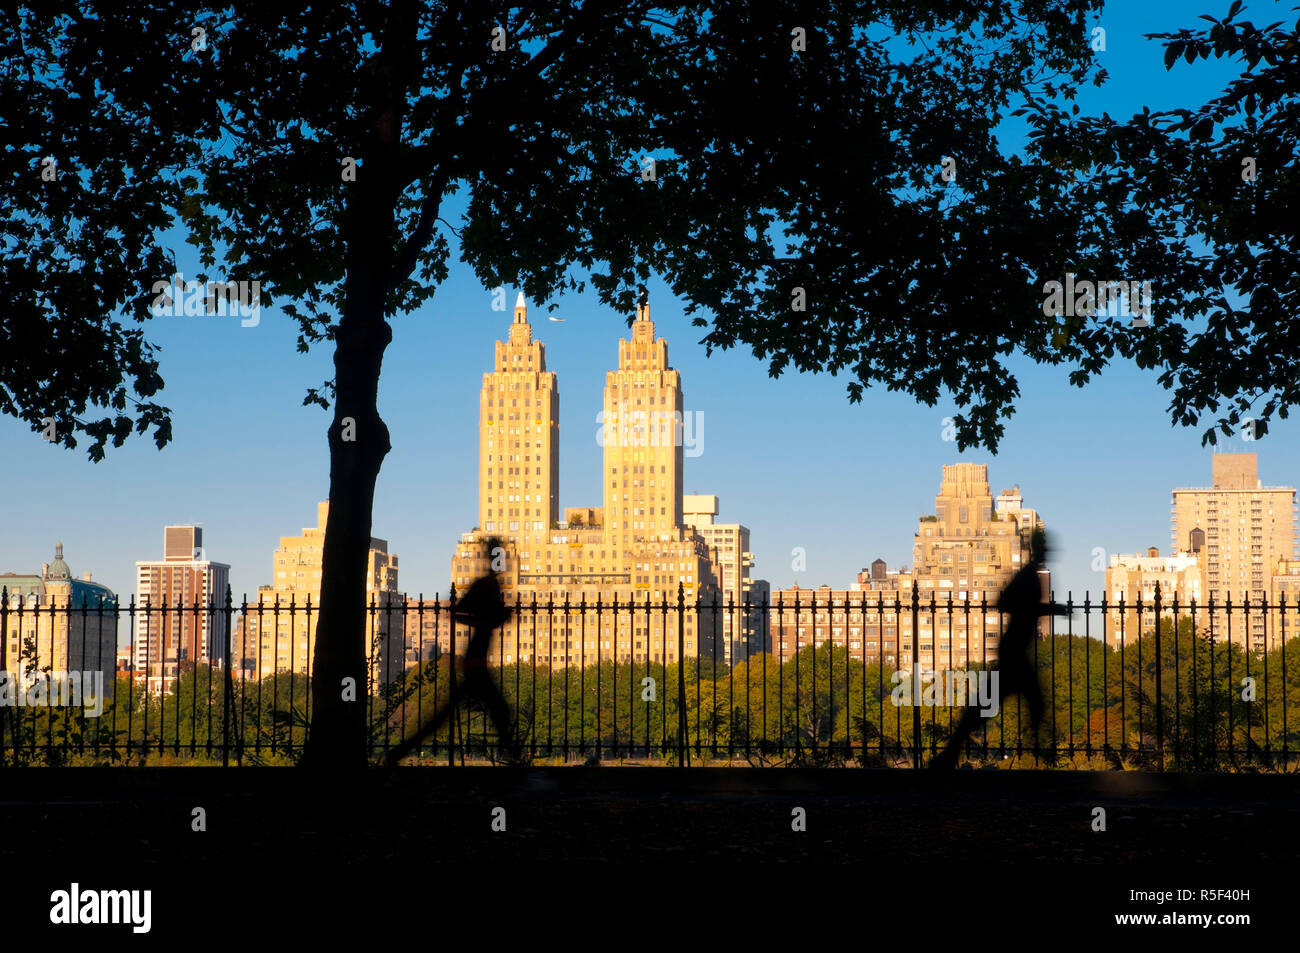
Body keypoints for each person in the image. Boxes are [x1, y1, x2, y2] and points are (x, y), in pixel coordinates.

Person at [928, 528, 1067, 770]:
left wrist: (1044, 609)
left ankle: (951, 755)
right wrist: (1050, 610)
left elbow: (1012, 603)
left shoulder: (1030, 574)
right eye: (1044, 545)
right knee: (997, 705)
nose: (1048, 549)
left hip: (1014, 652)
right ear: (1038, 548)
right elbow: (1006, 602)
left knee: (989, 706)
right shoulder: (1028, 575)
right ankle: (1040, 759)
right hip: (1013, 652)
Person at [384, 537, 521, 767]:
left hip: (476, 663)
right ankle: (516, 764)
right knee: (499, 712)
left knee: (446, 718)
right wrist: (490, 618)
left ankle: (396, 754)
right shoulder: (485, 585)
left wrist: (493, 618)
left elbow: (475, 616)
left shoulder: (490, 585)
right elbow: (459, 612)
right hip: (475, 663)